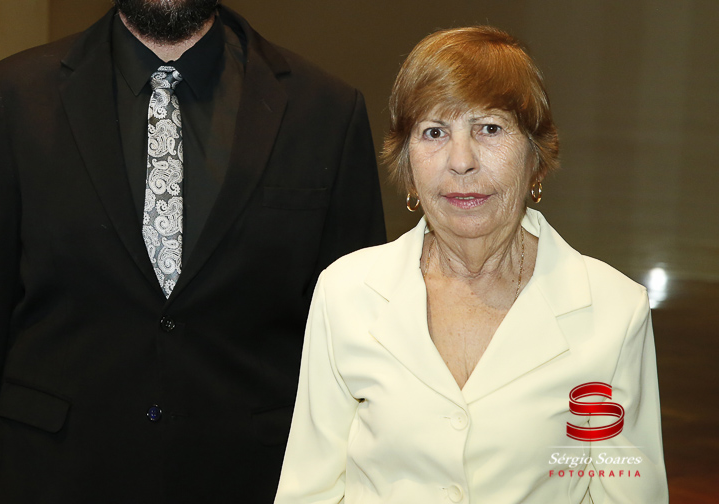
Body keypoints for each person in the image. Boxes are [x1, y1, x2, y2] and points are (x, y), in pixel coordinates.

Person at [0, 0, 387, 503]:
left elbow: (359, 350)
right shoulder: (16, 97)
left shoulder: (324, 113)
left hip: (254, 482)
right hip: (51, 481)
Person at [275, 26, 667, 504]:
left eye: (490, 129)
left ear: (536, 157)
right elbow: (308, 490)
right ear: (407, 161)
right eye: (435, 132)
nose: (460, 161)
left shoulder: (613, 311)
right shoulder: (345, 292)